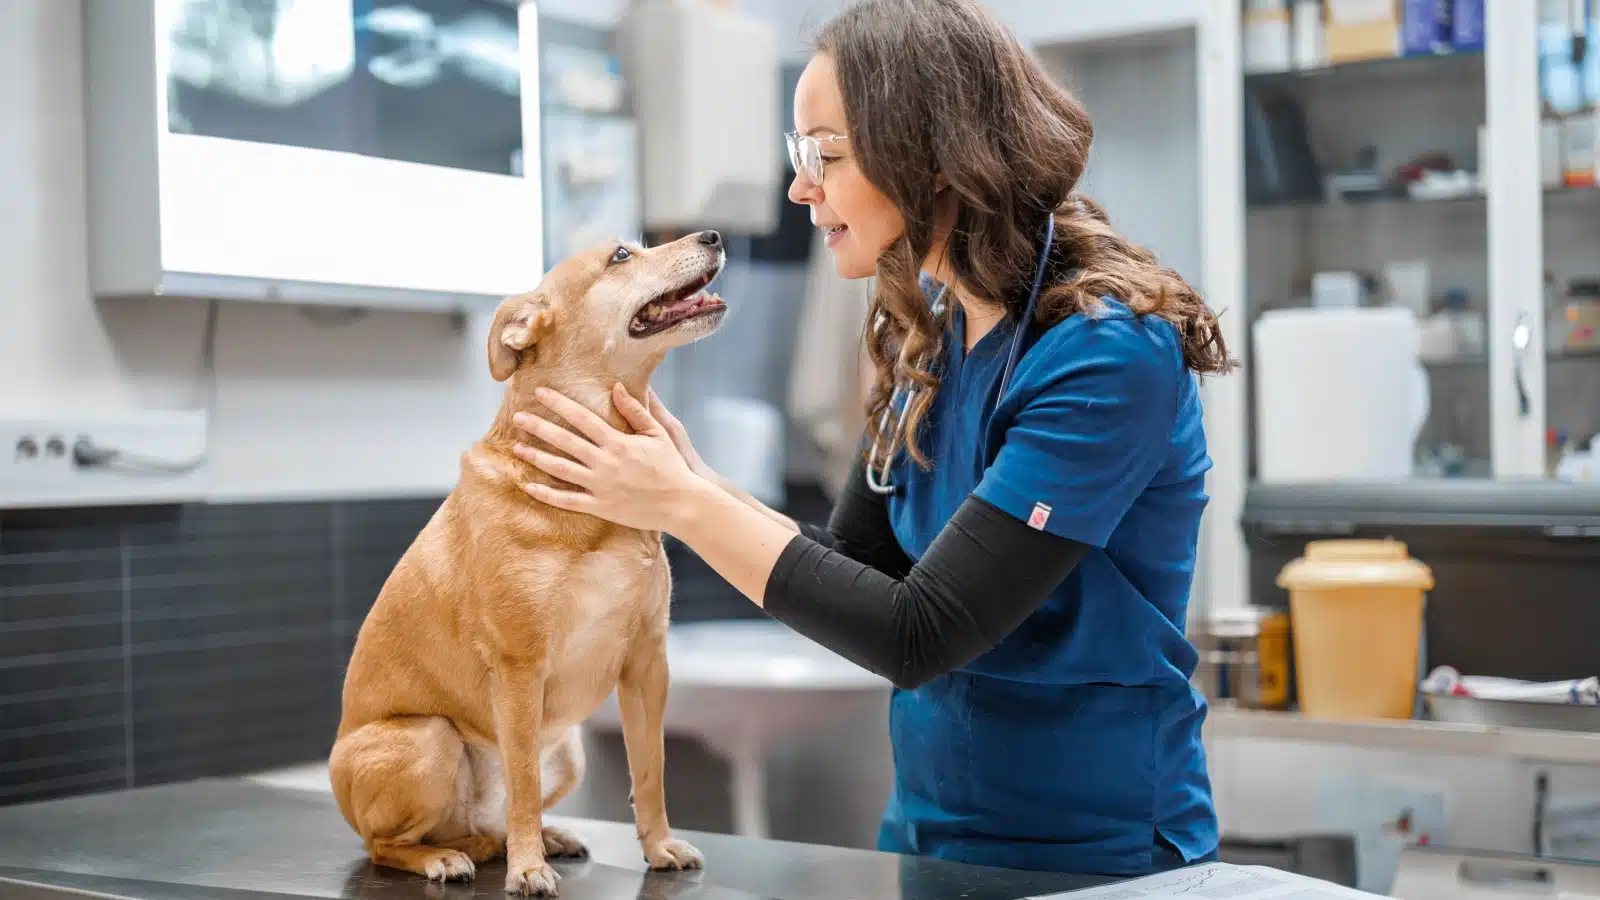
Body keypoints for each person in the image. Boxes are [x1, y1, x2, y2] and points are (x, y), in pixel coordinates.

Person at [508, 0, 1236, 879]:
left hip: (1098, 855)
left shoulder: (1105, 356)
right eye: (800, 155)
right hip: (929, 837)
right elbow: (855, 566)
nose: (800, 189)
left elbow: (917, 632)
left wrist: (684, 504)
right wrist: (693, 483)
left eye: (826, 156)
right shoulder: (925, 331)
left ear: (934, 154)